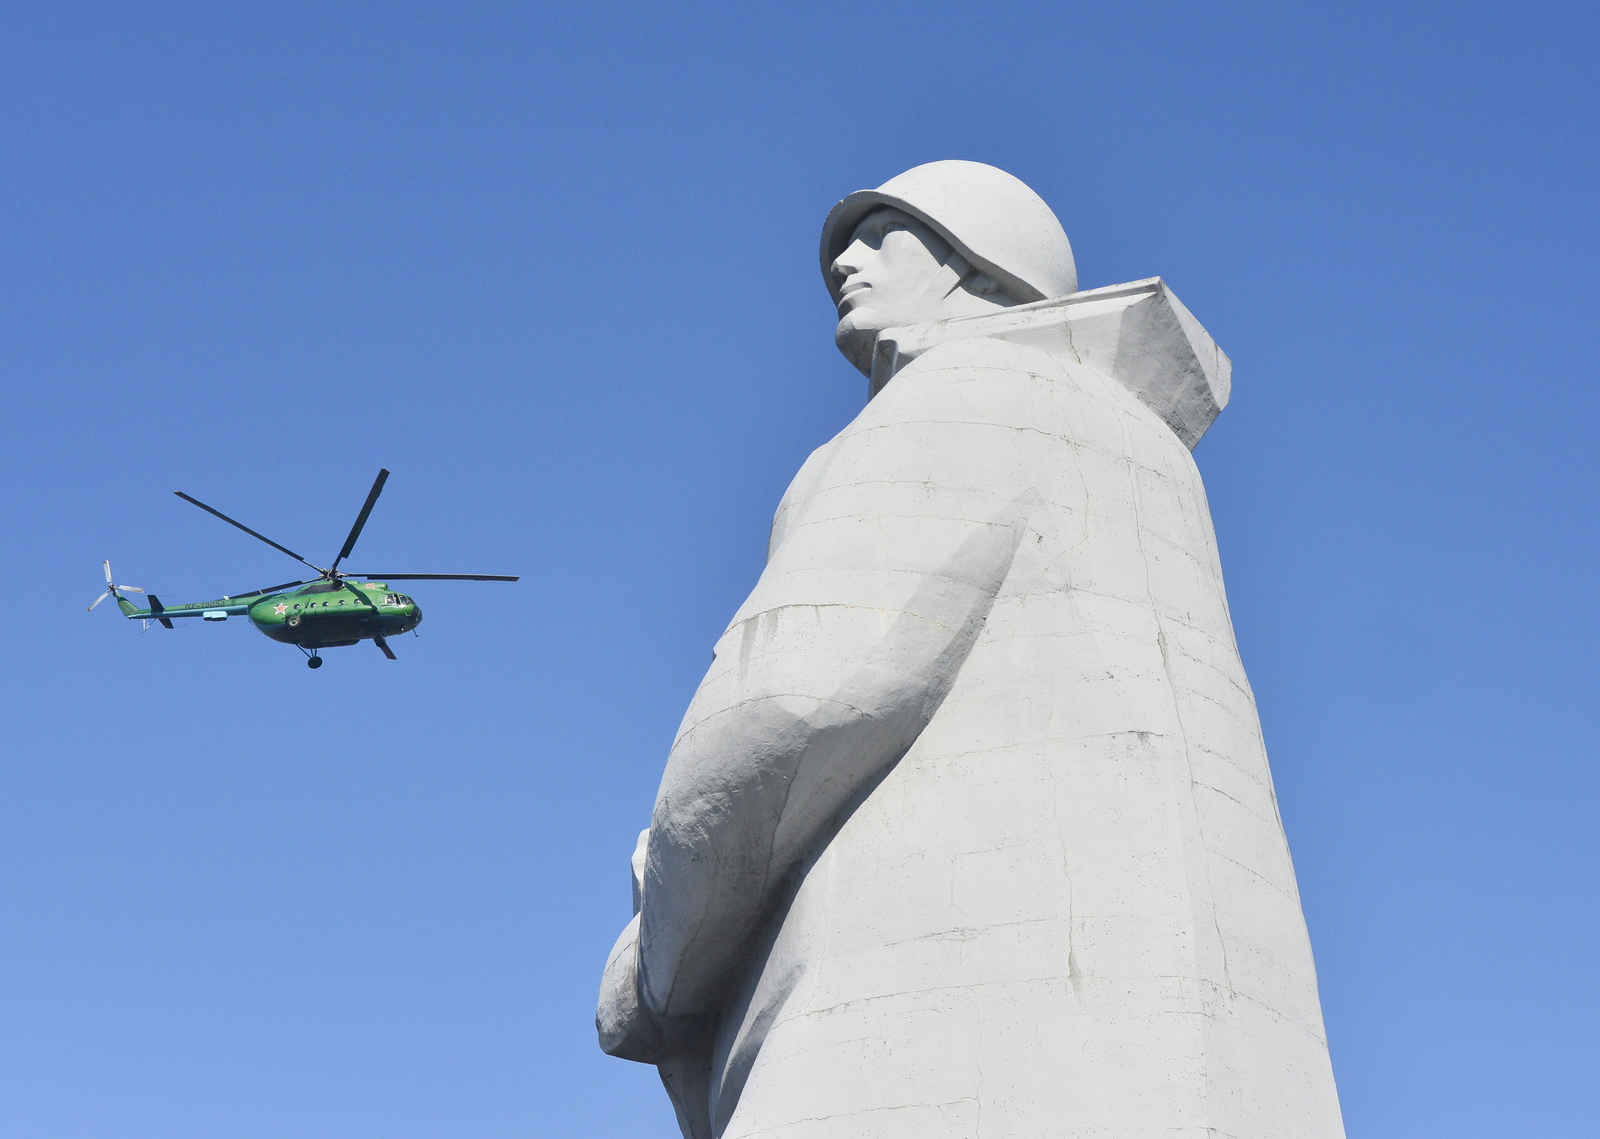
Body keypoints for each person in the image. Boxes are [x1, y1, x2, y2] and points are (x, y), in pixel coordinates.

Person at [598, 160, 1346, 1139]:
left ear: (979, 260)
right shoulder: (1147, 452)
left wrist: (652, 961)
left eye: (884, 232)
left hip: (929, 1036)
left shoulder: (956, 392)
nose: (846, 262)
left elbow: (788, 696)